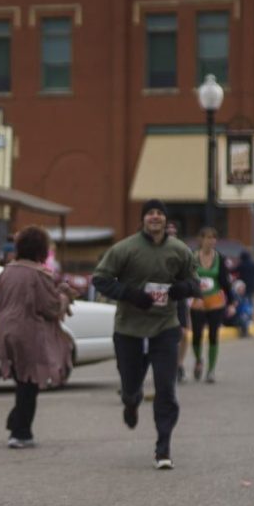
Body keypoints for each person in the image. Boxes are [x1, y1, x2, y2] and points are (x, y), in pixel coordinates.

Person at [92, 199, 198, 470]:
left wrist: (179, 290)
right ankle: (131, 400)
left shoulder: (179, 250)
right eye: (150, 213)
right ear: (143, 220)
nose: (155, 217)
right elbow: (100, 279)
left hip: (165, 327)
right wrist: (129, 294)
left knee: (166, 388)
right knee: (130, 385)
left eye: (159, 213)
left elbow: (194, 282)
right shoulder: (125, 249)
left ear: (165, 220)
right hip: (129, 328)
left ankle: (163, 448)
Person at [0, 226, 72, 448]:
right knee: (31, 382)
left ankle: (16, 422)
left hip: (5, 330)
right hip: (28, 332)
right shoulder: (39, 274)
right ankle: (20, 432)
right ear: (41, 250)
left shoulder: (6, 272)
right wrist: (65, 296)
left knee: (22, 379)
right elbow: (51, 307)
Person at [189, 227, 235, 384]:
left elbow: (225, 281)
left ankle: (211, 371)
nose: (211, 241)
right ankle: (198, 360)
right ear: (201, 240)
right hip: (198, 301)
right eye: (208, 238)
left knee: (213, 335)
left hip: (215, 300)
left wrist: (231, 301)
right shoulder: (193, 258)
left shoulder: (220, 258)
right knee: (196, 335)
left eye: (214, 238)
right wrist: (195, 295)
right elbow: (189, 279)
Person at [166, 222, 190, 381]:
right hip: (163, 296)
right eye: (169, 232)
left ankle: (180, 364)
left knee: (184, 333)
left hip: (180, 296)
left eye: (174, 233)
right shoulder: (155, 251)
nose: (172, 235)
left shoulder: (183, 252)